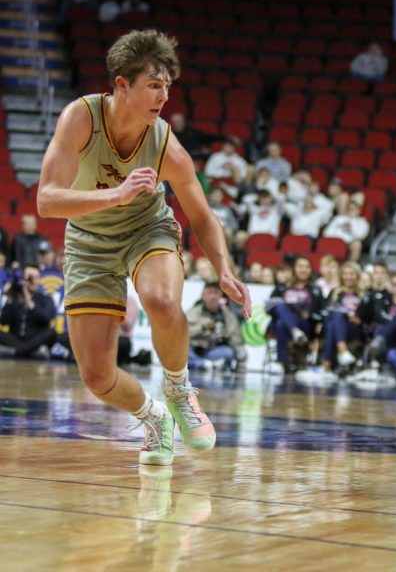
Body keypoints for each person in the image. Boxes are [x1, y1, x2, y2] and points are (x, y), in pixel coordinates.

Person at [36, 30, 251, 467]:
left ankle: (179, 390)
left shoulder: (164, 142)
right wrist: (113, 196)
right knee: (97, 377)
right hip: (88, 243)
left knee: (160, 298)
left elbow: (203, 216)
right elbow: (47, 200)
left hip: (146, 229)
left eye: (168, 85)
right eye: (154, 84)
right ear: (122, 84)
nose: (164, 95)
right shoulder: (80, 119)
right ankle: (153, 417)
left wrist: (224, 269)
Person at [266, 256, 324, 372]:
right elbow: (269, 308)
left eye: (307, 267)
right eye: (300, 266)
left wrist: (305, 312)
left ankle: (281, 361)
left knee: (282, 317)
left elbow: (319, 312)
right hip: (281, 324)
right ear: (294, 269)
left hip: (305, 325)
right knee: (281, 313)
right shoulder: (282, 287)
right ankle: (295, 332)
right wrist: (296, 307)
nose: (304, 270)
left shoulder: (315, 289)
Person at [0, 264, 57, 358]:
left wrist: (30, 303)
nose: (32, 281)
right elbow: (3, 322)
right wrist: (10, 300)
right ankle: (30, 352)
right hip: (16, 339)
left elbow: (46, 319)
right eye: (29, 278)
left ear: (39, 280)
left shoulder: (45, 298)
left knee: (51, 332)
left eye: (35, 278)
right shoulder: (14, 297)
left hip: (35, 339)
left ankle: (17, 351)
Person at [186, 283, 246, 372]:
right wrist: (202, 328)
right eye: (209, 293)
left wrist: (225, 334)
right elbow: (183, 333)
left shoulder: (228, 315)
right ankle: (202, 364)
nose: (213, 297)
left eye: (216, 293)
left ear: (221, 296)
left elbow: (236, 339)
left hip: (213, 350)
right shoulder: (193, 312)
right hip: (194, 349)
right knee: (183, 351)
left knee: (229, 352)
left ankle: (203, 364)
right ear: (203, 296)